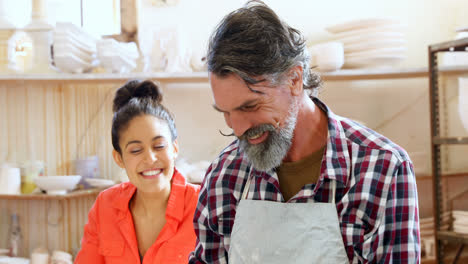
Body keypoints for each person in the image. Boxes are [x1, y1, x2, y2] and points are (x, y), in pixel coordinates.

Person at [189, 1, 420, 263]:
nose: (239, 128)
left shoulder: (383, 170)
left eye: (251, 106)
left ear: (295, 80)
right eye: (226, 112)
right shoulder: (225, 175)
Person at [75, 80, 200, 264]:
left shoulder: (202, 206)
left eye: (158, 146)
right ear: (119, 158)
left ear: (174, 148)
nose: (150, 159)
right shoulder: (105, 206)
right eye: (135, 150)